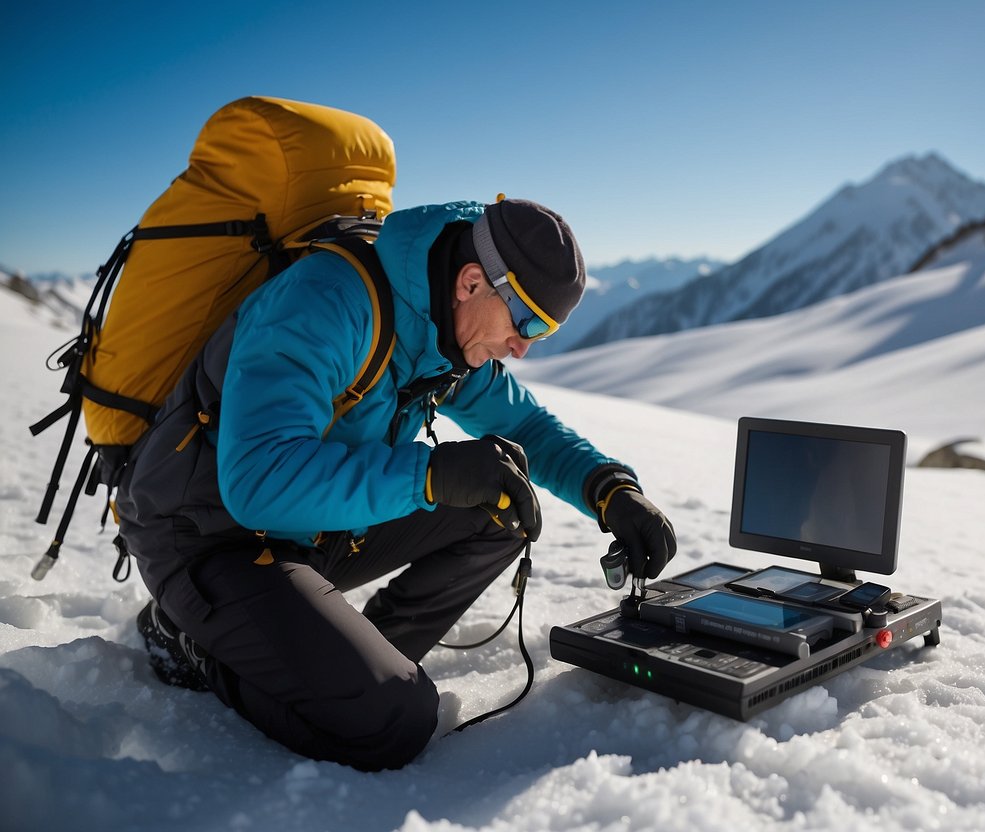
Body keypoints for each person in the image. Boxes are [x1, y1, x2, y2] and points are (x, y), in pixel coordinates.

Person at [115, 198, 677, 771]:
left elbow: (526, 425)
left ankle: (356, 659)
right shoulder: (326, 304)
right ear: (471, 281)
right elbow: (257, 479)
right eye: (526, 322)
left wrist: (610, 490)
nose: (522, 347)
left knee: (502, 502)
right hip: (208, 535)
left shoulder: (441, 335)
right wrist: (430, 476)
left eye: (544, 331)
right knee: (393, 722)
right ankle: (189, 638)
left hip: (308, 527)